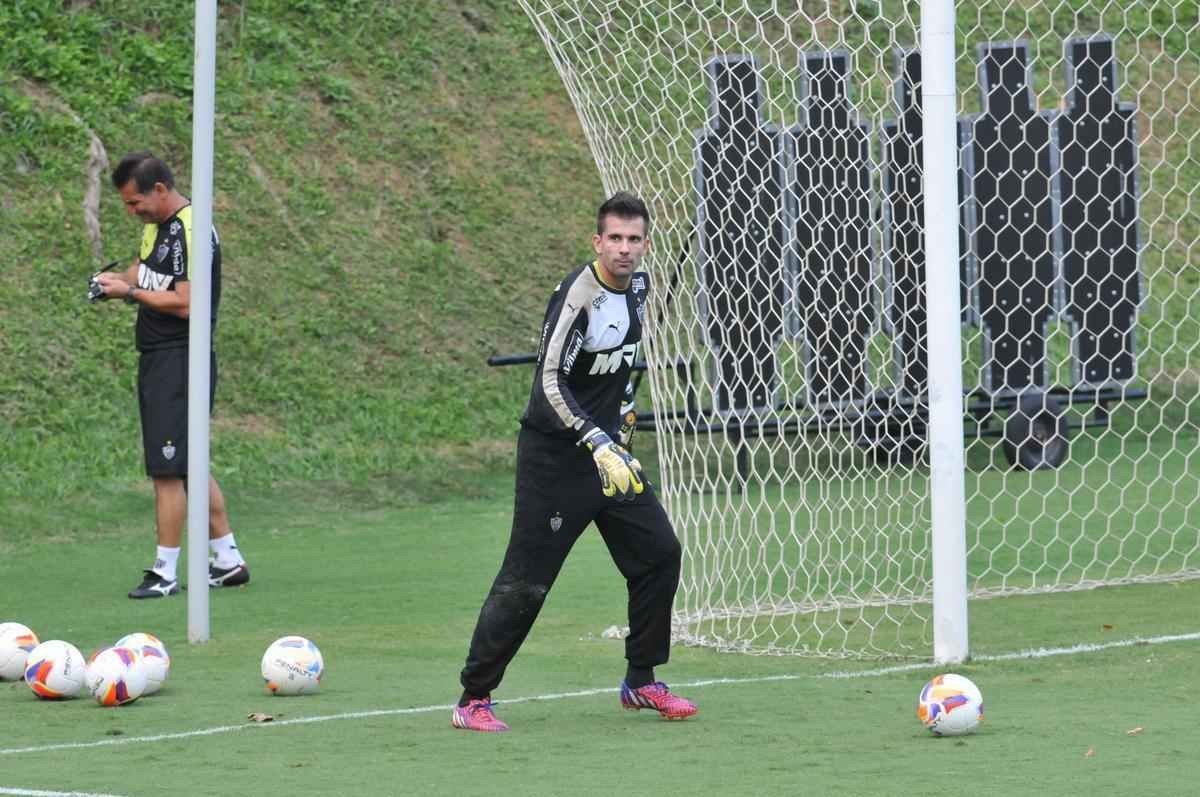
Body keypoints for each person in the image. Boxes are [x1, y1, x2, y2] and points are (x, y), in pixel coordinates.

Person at [452, 192, 696, 732]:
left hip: (608, 454)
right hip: (556, 460)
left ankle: (642, 679)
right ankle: (473, 697)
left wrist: (624, 414)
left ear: (645, 244)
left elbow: (625, 363)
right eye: (615, 239)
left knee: (659, 553)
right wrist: (598, 441)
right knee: (527, 581)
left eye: (634, 240)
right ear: (597, 241)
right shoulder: (577, 297)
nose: (625, 249)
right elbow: (548, 382)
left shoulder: (640, 288)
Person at [95, 152, 250, 599]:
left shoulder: (189, 227)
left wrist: (130, 293)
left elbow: (187, 302)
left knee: (167, 470)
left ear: (160, 190)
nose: (132, 211)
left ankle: (164, 572)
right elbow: (145, 274)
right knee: (187, 463)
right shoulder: (156, 228)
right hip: (161, 356)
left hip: (180, 357)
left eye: (135, 202)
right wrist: (113, 283)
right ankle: (227, 559)